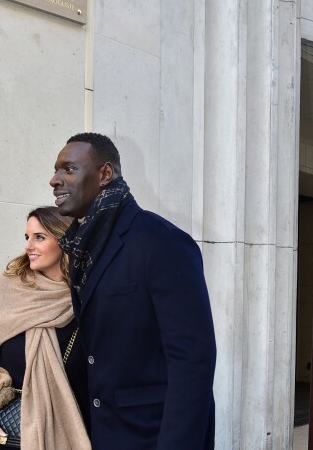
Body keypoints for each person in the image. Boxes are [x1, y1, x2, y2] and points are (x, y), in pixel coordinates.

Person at [50, 133, 217, 450]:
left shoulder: (161, 241)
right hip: (98, 434)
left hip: (150, 436)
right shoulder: (82, 248)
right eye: (56, 170)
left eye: (68, 169)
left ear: (104, 174)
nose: (54, 180)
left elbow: (193, 359)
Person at [0, 207, 91, 450]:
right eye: (27, 237)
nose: (29, 246)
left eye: (39, 237)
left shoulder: (87, 296)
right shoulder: (7, 288)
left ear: (66, 240)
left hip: (70, 428)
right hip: (7, 433)